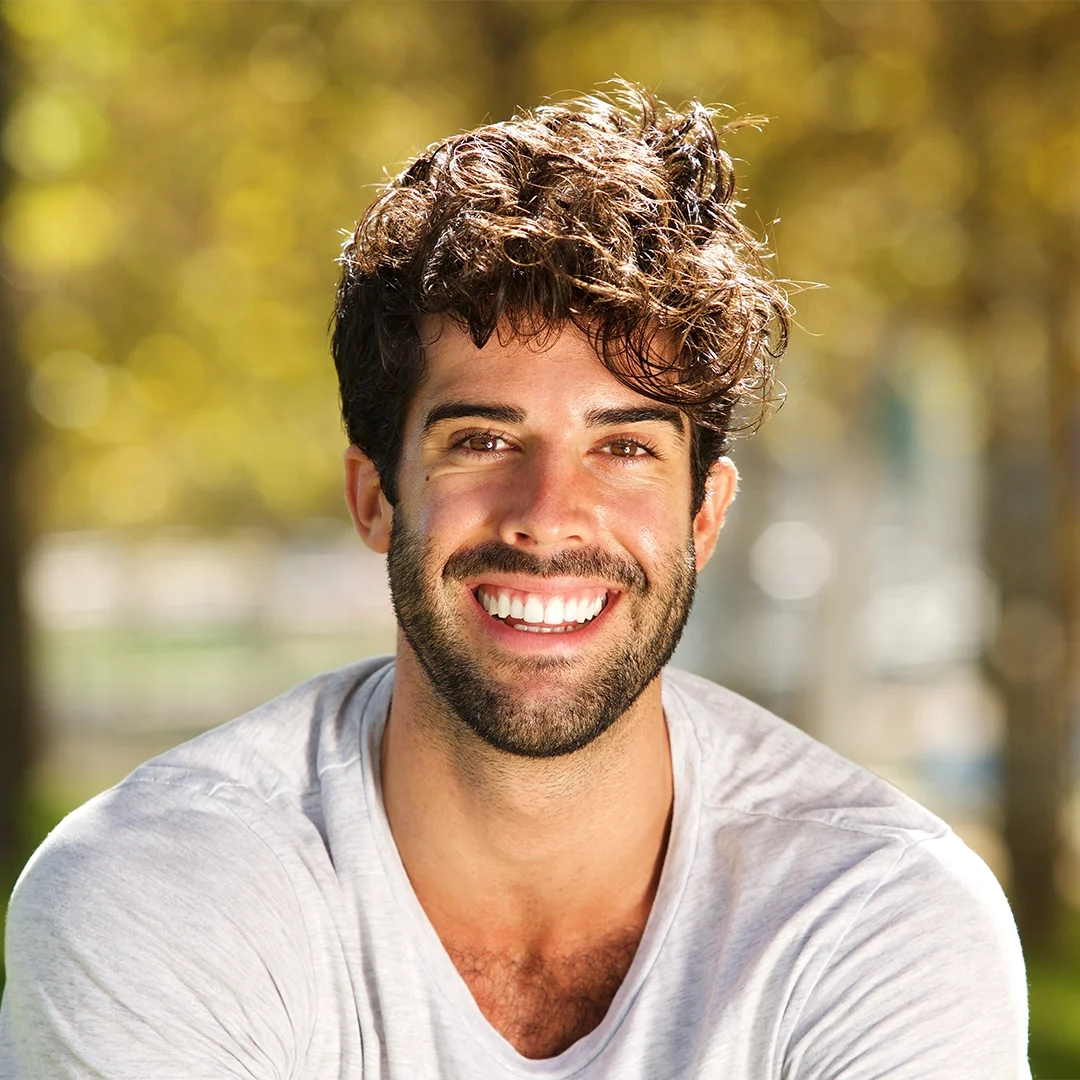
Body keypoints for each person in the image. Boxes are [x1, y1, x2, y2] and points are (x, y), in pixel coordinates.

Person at [1, 84, 1029, 1078]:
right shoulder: (157, 892)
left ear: (704, 516)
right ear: (375, 497)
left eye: (624, 449)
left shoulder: (881, 914)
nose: (548, 514)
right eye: (485, 438)